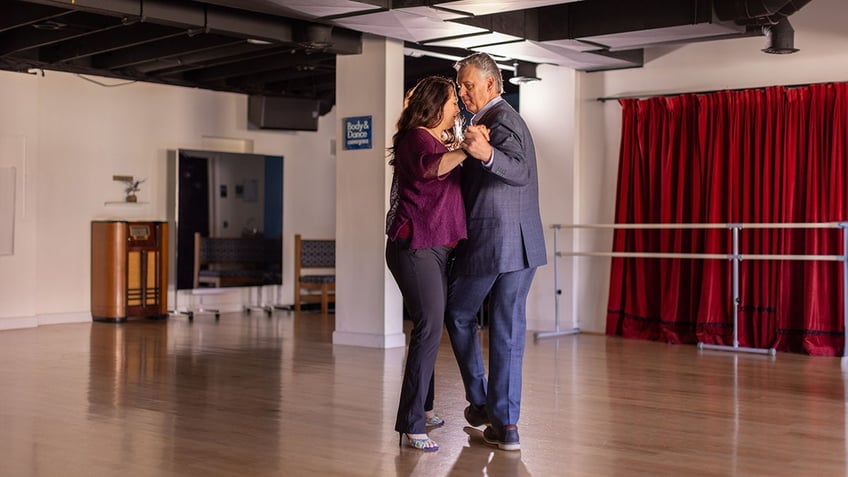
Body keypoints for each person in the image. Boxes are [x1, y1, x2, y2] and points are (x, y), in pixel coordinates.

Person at [445, 52, 547, 452]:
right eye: (461, 86)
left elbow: (518, 171)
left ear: (491, 84)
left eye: (469, 85)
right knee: (506, 331)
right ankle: (506, 426)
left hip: (494, 241)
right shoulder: (492, 121)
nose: (464, 92)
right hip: (521, 243)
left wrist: (484, 154)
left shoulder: (502, 120)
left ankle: (482, 403)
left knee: (457, 313)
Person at [385, 76, 470, 452]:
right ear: (436, 104)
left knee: (430, 328)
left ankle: (426, 407)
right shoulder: (416, 138)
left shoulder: (435, 140)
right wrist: (468, 149)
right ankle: (412, 423)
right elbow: (430, 169)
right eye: (453, 100)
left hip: (435, 248)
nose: (458, 107)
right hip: (416, 246)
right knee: (428, 326)